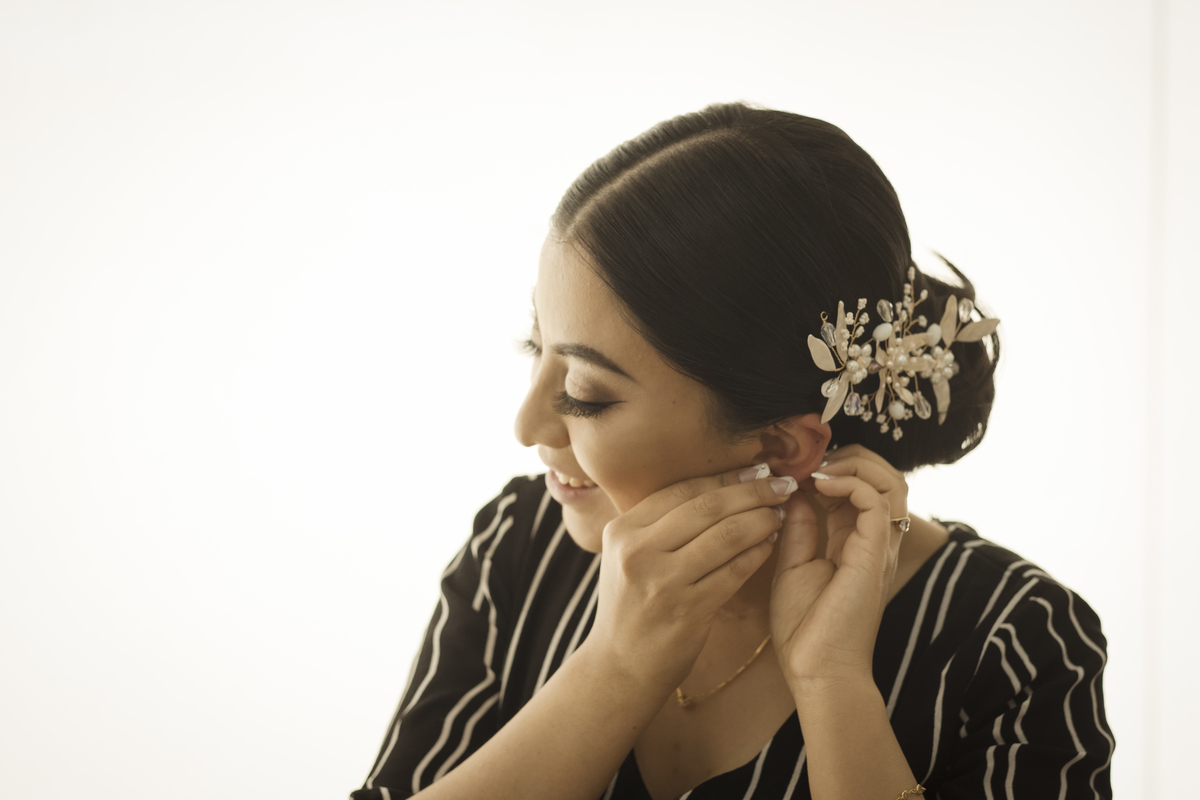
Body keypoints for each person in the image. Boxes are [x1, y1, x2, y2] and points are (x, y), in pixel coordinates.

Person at [349, 103, 1114, 800]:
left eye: (584, 392)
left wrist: (834, 686)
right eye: (535, 348)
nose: (527, 426)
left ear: (782, 446)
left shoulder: (1014, 642)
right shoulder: (520, 550)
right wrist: (611, 670)